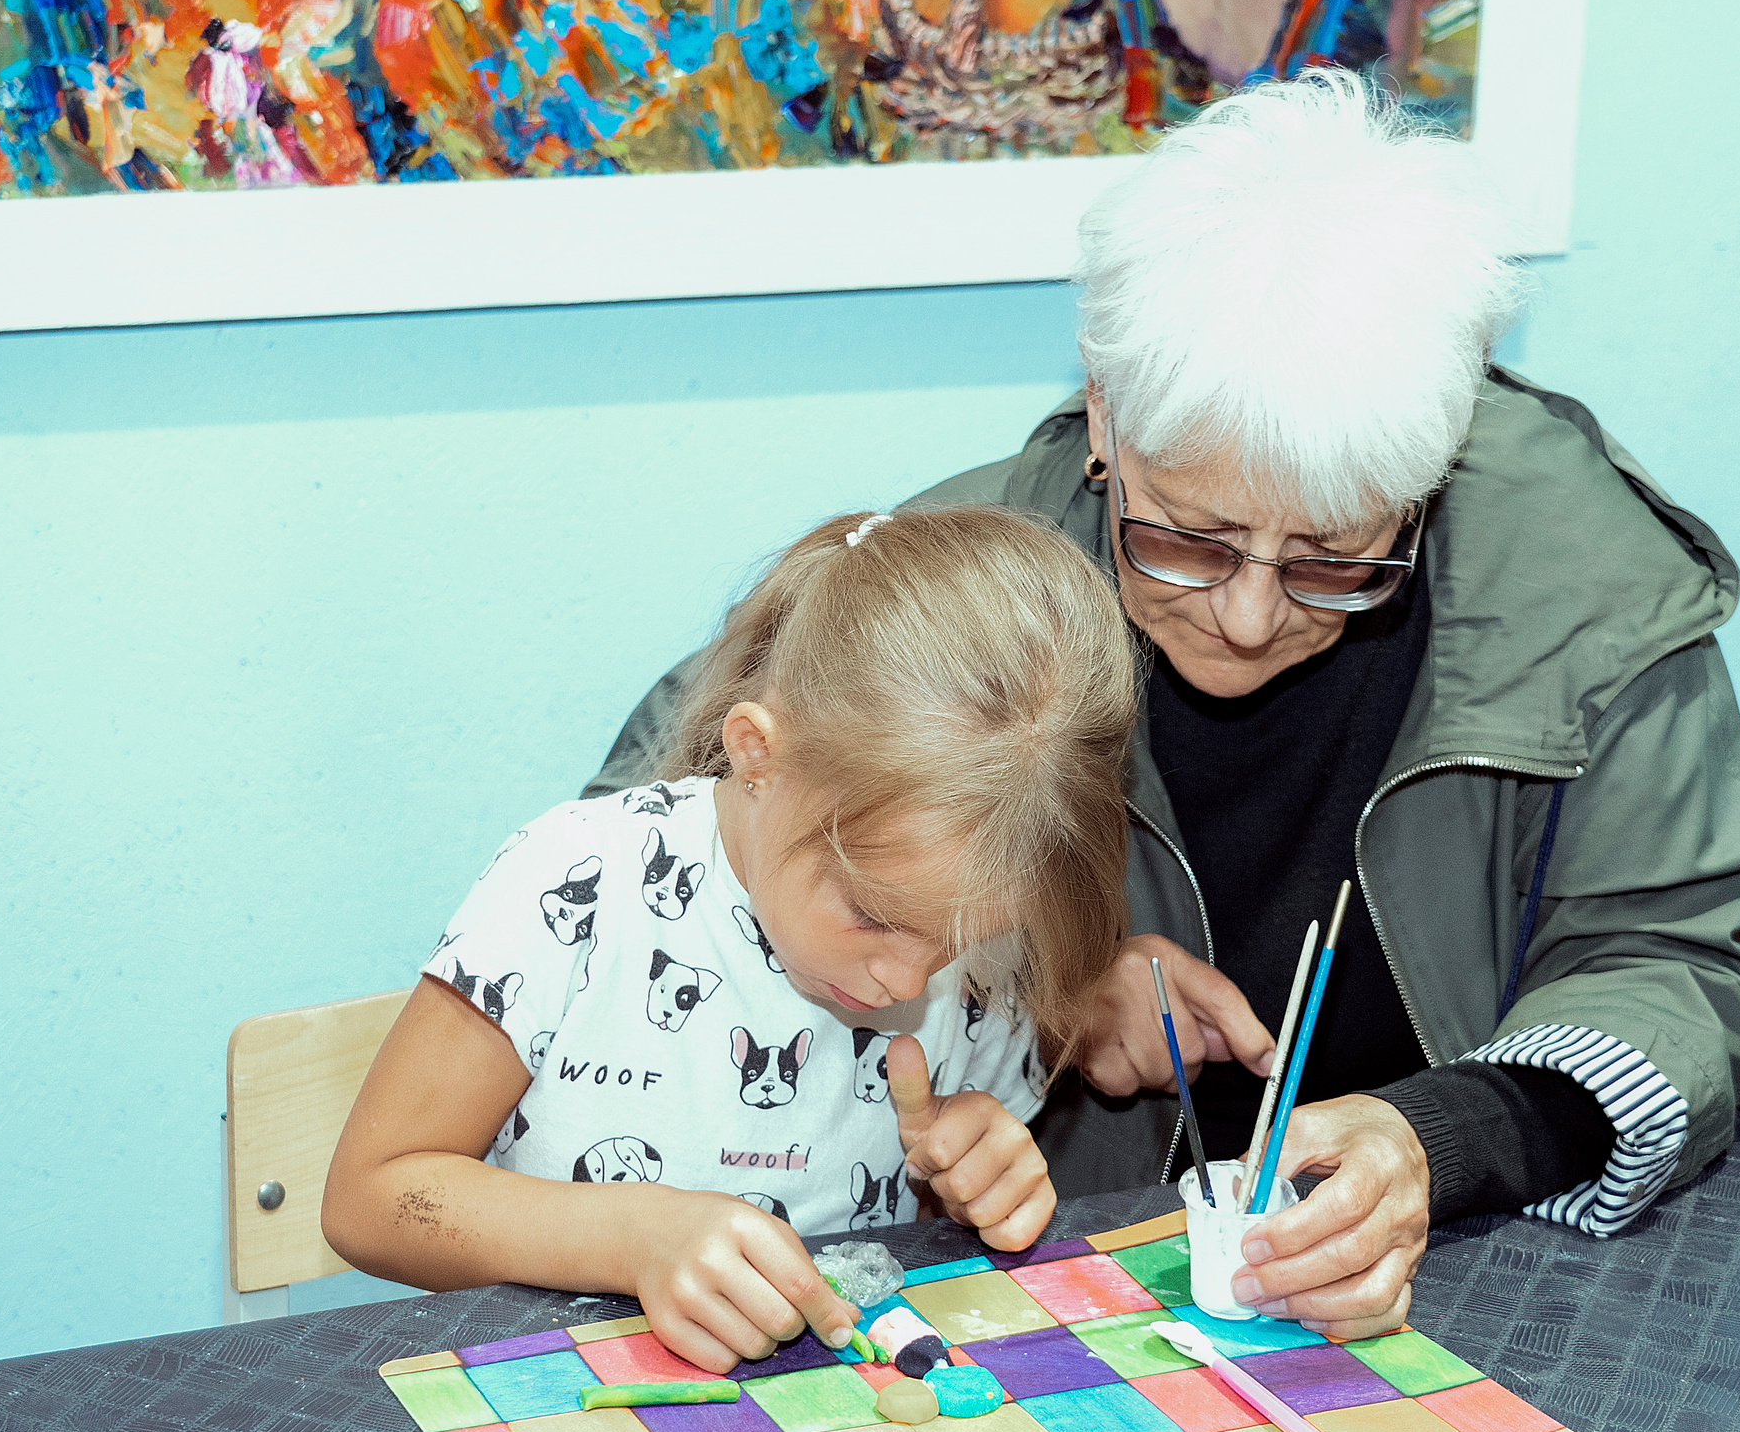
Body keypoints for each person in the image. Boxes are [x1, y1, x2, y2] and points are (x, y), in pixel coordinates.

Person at [590, 70, 1740, 1342]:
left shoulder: (1587, 592)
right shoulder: (948, 594)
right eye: (1191, 539)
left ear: (1430, 480)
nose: (1249, 614)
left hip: (1474, 1281)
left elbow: (1683, 973)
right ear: (1106, 418)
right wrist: (1029, 981)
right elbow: (646, 888)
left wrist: (1439, 1137)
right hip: (1071, 1288)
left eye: (1336, 555)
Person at [324, 507, 1141, 1373]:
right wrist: (633, 1235)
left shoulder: (968, 950)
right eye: (872, 911)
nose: (908, 973)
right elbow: (368, 1200)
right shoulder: (576, 883)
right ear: (757, 755)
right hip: (555, 1412)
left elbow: (911, 1221)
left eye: (966, 937)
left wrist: (963, 1176)